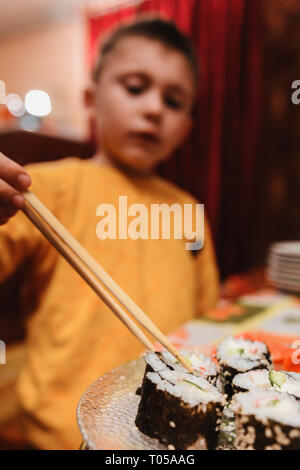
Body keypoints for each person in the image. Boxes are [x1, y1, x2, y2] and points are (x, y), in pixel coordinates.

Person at [0, 17, 219, 449]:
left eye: (174, 101)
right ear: (91, 99)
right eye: (135, 87)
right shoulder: (47, 187)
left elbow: (204, 321)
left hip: (166, 434)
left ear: (186, 129)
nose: (154, 108)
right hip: (63, 429)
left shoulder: (188, 210)